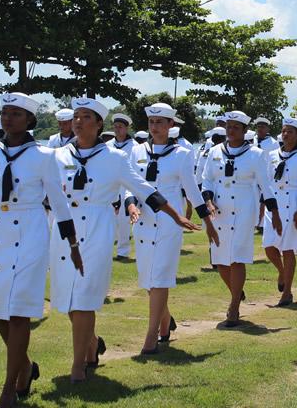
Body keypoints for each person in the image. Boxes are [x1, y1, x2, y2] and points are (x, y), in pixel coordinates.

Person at [50, 98, 204, 381]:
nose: (78, 122)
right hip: (64, 232)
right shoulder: (58, 156)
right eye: (76, 116)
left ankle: (77, 366)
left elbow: (145, 189)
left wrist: (174, 215)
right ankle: (92, 343)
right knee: (68, 301)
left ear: (99, 124)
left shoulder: (115, 158)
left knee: (84, 298)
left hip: (97, 229)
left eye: (86, 117)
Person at [0, 92, 83, 407]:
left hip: (30, 234)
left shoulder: (44, 155)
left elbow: (59, 202)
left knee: (19, 313)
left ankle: (8, 389)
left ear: (29, 120)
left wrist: (72, 243)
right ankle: (26, 366)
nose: (8, 118)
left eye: (16, 114)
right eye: (5, 112)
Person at [126, 102, 209, 354]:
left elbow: (191, 188)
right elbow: (128, 184)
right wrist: (130, 204)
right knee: (149, 280)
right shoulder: (136, 150)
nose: (155, 127)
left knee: (160, 277)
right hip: (142, 221)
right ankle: (165, 322)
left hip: (169, 223)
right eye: (152, 122)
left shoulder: (183, 153)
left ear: (171, 125)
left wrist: (206, 219)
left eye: (161, 122)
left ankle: (151, 336)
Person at [202, 110, 282, 326]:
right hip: (219, 211)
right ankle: (236, 292)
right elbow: (207, 180)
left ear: (245, 130)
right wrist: (208, 201)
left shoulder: (256, 154)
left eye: (236, 127)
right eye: (228, 126)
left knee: (237, 256)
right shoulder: (215, 151)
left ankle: (234, 304)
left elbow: (266, 186)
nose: (231, 130)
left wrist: (274, 214)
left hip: (245, 209)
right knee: (220, 260)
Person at [263, 118, 297, 306]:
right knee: (269, 246)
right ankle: (282, 272)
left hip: (292, 204)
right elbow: (267, 179)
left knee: (288, 248)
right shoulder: (273, 154)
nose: (285, 135)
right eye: (284, 131)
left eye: (290, 132)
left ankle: (288, 292)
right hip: (274, 204)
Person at [105, 113, 138, 261]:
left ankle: (123, 251)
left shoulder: (135, 146)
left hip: (126, 184)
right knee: (109, 217)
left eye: (120, 127)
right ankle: (107, 247)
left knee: (124, 219)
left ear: (126, 128)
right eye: (115, 127)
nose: (117, 130)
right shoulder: (107, 145)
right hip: (111, 183)